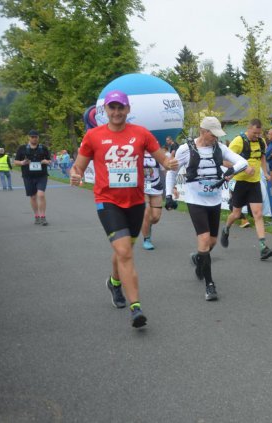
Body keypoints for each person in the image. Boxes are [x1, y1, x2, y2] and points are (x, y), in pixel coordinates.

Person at [69, 90, 179, 328]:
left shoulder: (141, 134)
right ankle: (136, 308)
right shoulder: (93, 136)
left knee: (124, 250)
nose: (117, 112)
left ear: (128, 110)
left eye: (121, 108)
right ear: (105, 111)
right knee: (125, 252)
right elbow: (78, 166)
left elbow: (162, 160)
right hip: (107, 201)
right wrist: (75, 174)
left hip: (136, 202)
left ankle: (114, 282)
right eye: (112, 108)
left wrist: (169, 163)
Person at [165, 116, 248, 301]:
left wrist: (230, 172)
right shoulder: (186, 149)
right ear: (203, 131)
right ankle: (210, 284)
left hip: (215, 200)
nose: (216, 139)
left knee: (211, 243)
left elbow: (243, 162)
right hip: (195, 199)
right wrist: (169, 195)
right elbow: (172, 172)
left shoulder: (220, 148)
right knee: (203, 240)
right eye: (213, 135)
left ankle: (199, 259)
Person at [220, 118, 272, 260]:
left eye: (259, 133)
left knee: (258, 214)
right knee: (236, 214)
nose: (257, 136)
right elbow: (225, 161)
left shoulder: (261, 141)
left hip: (255, 183)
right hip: (240, 183)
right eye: (255, 133)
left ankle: (263, 247)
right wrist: (244, 168)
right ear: (249, 128)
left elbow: (262, 158)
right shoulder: (238, 141)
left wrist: (265, 172)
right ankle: (226, 229)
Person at [14, 130, 52, 225]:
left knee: (41, 195)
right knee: (33, 197)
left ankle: (43, 217)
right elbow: (15, 162)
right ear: (29, 137)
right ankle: (37, 216)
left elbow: (49, 161)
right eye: (32, 137)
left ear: (38, 138)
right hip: (28, 176)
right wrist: (22, 162)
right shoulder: (22, 148)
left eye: (36, 137)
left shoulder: (43, 148)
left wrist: (46, 161)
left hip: (41, 175)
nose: (34, 139)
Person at [140, 151, 165, 250]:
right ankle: (147, 239)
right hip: (141, 187)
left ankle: (147, 226)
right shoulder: (136, 151)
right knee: (146, 212)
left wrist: (173, 187)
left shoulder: (157, 153)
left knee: (155, 217)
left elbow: (165, 169)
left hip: (155, 186)